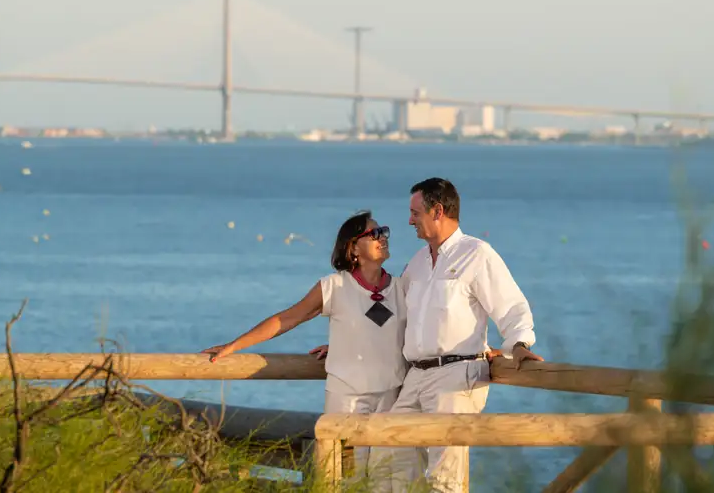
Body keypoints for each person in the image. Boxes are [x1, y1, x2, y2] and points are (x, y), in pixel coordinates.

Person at [201, 210, 407, 478]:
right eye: (374, 234)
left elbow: (412, 334)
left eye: (384, 232)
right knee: (345, 479)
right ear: (353, 247)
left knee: (387, 479)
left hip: (391, 397)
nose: (383, 238)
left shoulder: (403, 288)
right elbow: (288, 318)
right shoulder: (334, 286)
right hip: (347, 398)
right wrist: (234, 345)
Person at [374, 177, 543, 493]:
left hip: (457, 375)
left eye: (415, 213)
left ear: (437, 211)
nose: (409, 220)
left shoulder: (477, 254)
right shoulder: (419, 260)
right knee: (391, 458)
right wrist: (351, 333)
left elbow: (510, 306)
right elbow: (395, 309)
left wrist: (519, 346)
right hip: (416, 376)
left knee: (444, 479)